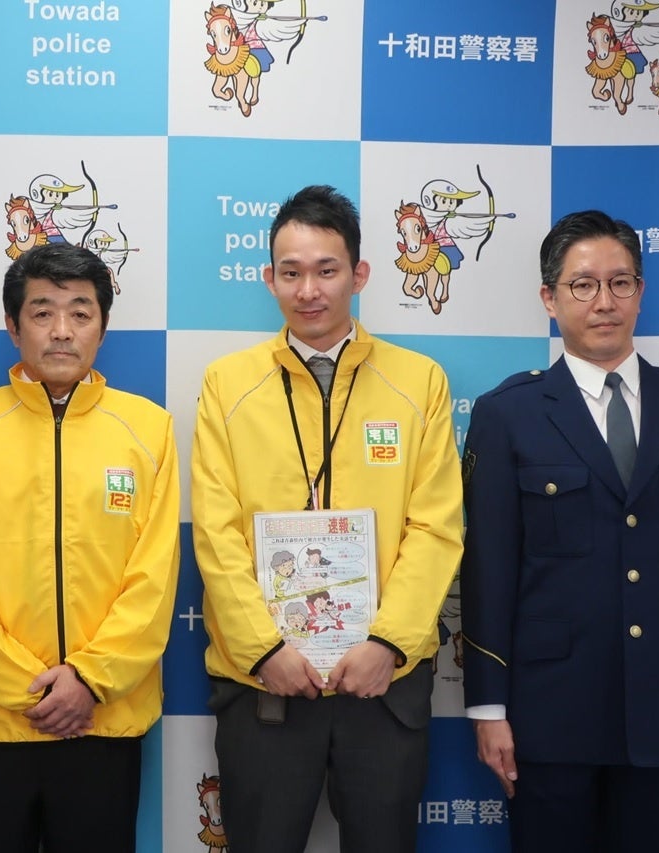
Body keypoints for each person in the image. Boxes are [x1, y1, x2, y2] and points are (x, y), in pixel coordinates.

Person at [460, 209, 659, 853]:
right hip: (549, 712)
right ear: (550, 298)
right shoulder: (507, 415)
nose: (605, 301)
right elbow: (487, 570)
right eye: (583, 284)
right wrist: (487, 707)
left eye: (621, 283)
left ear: (640, 292)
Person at [191, 184, 464, 852]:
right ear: (269, 279)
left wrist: (389, 644)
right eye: (291, 273)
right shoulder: (227, 384)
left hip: (383, 681)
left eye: (326, 270)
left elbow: (436, 528)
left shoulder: (419, 381)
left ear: (359, 274)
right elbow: (216, 532)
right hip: (266, 682)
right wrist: (264, 649)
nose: (308, 290)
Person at [0, 242, 179, 852]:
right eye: (42, 312)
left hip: (102, 720)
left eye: (80, 313)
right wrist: (25, 690)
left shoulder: (149, 430)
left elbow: (156, 575)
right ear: (13, 327)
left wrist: (88, 679)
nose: (62, 330)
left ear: (102, 328)